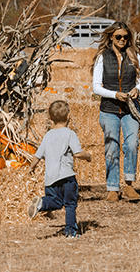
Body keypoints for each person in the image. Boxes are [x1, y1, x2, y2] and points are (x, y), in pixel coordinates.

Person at [92, 22, 140, 202]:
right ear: (111, 38)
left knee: (132, 143)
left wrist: (137, 89)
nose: (122, 40)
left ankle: (129, 185)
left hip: (130, 108)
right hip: (109, 109)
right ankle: (112, 188)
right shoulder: (102, 57)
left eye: (125, 37)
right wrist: (115, 94)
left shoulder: (135, 56)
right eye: (118, 37)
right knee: (111, 147)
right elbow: (96, 87)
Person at [27, 100, 92, 238]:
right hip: (66, 177)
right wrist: (88, 156)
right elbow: (77, 153)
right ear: (69, 116)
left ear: (50, 118)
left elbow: (37, 155)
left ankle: (42, 203)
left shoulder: (48, 135)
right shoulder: (69, 133)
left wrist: (31, 168)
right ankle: (70, 233)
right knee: (70, 204)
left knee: (55, 201)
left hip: (50, 178)